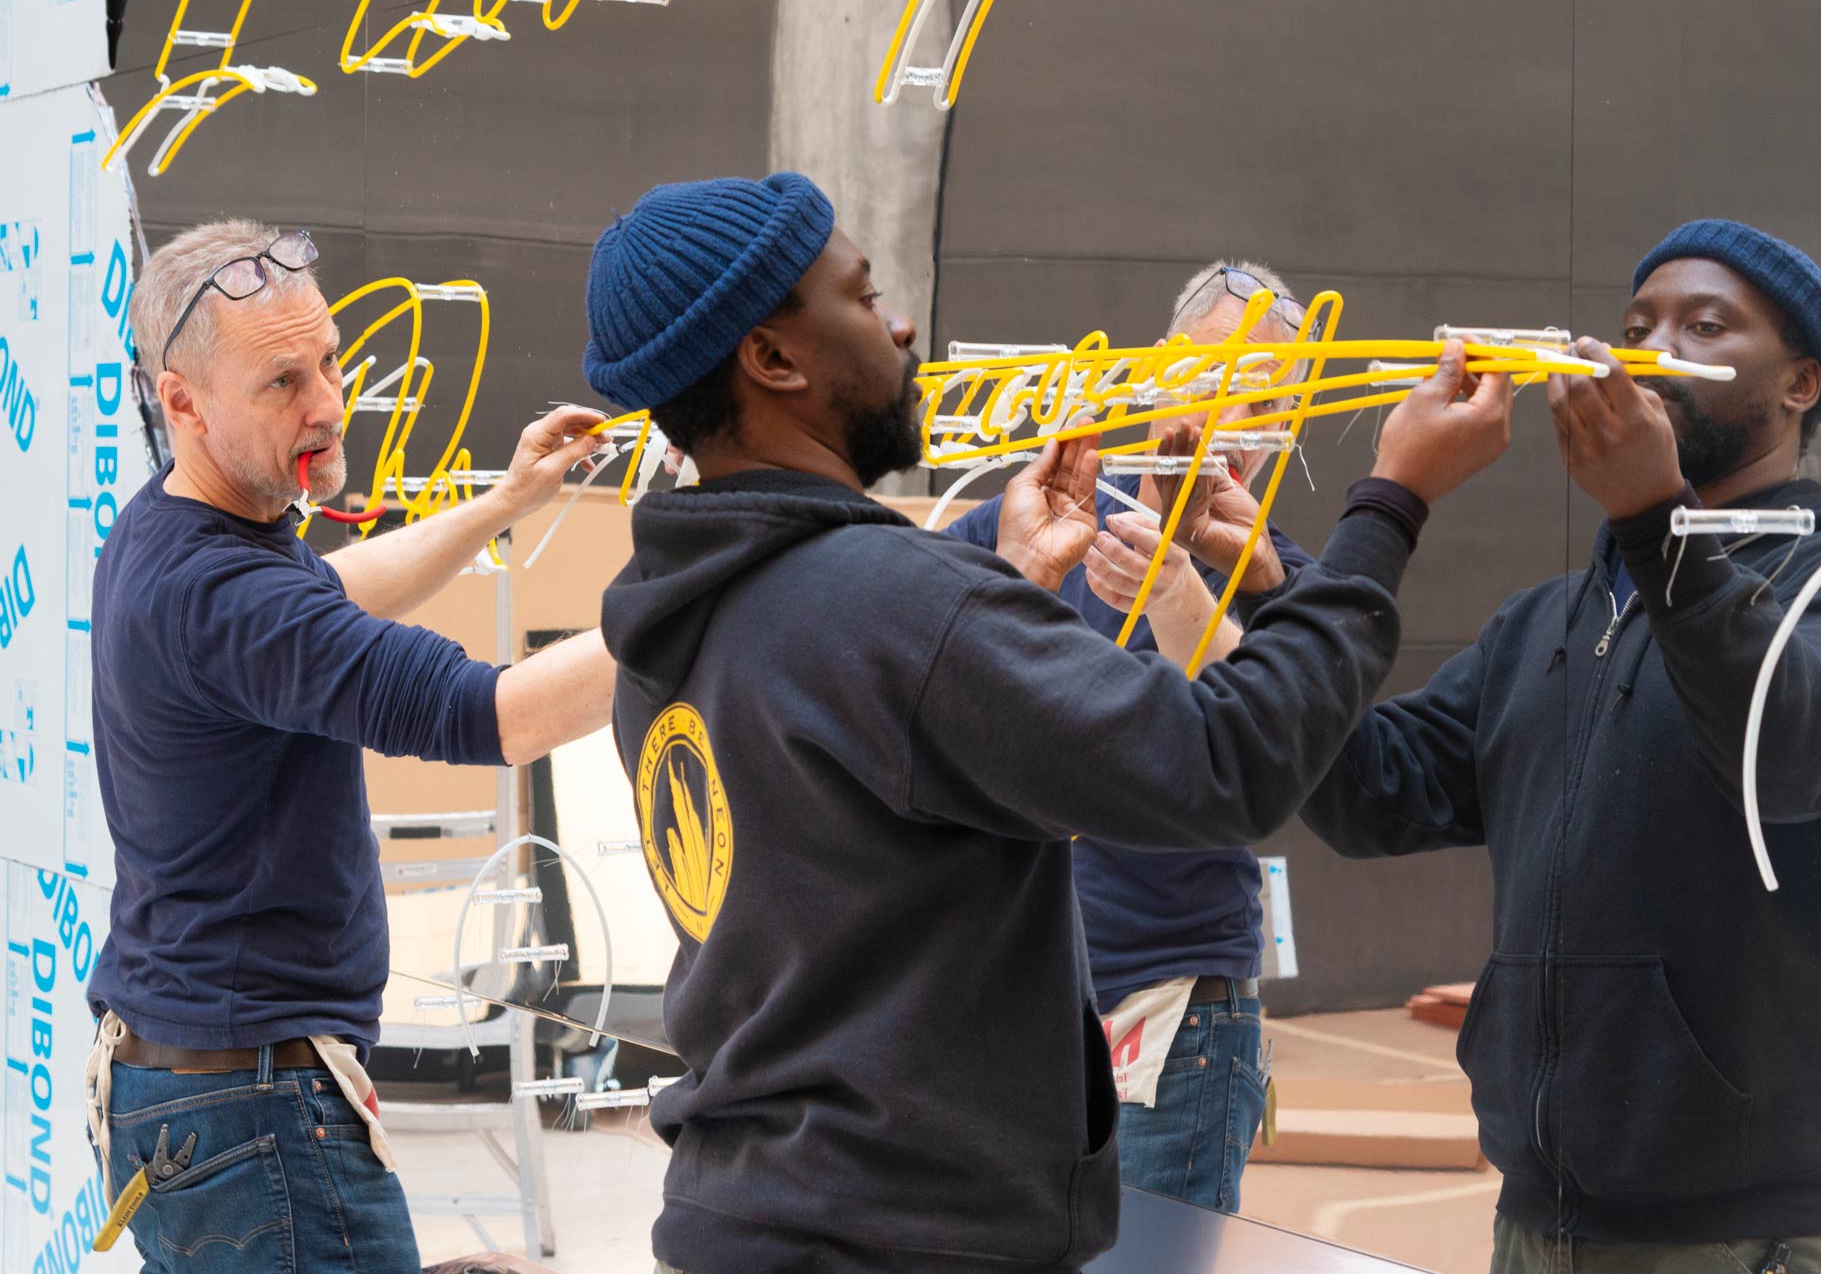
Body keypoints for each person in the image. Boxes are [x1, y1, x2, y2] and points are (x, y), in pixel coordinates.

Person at [581, 172, 1513, 1274]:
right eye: (864, 292)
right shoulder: (892, 597)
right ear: (774, 360)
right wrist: (1389, 504)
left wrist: (1016, 587)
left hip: (754, 1205)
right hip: (900, 1229)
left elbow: (868, 834)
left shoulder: (675, 611)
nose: (900, 321)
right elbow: (1221, 766)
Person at [1293, 220, 1821, 1274]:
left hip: (1758, 1236)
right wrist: (1250, 607)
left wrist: (1653, 522)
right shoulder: (1549, 615)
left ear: (1798, 384)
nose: (1647, 345)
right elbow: (1368, 793)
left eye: (1702, 323)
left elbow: (1790, 753)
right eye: (1634, 322)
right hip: (1540, 1223)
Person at [86, 220, 619, 1273]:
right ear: (180, 400)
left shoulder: (175, 529)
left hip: (188, 1089)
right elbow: (498, 715)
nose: (328, 403)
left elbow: (327, 589)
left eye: (329, 359)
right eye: (281, 382)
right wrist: (736, 603)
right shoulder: (223, 594)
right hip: (253, 1114)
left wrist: (502, 506)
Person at [947, 258, 1313, 1213]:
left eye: (1269, 394)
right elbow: (917, 665)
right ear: (1160, 369)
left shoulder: (1275, 575)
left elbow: (1267, 735)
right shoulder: (1035, 515)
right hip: (1008, 991)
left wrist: (1180, 585)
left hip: (1169, 999)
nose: (1236, 414)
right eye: (1213, 375)